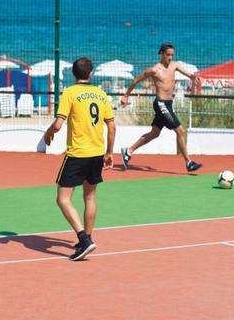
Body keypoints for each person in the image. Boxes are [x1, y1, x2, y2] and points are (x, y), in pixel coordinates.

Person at [43, 57, 115, 261]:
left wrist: (48, 133)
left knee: (63, 199)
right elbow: (111, 126)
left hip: (77, 154)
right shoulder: (101, 94)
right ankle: (88, 238)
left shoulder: (70, 92)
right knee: (90, 197)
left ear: (74, 74)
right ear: (91, 73)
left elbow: (58, 124)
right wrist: (109, 152)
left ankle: (84, 239)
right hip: (97, 153)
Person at [119, 43, 202, 173]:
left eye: (172, 55)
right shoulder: (154, 70)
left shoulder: (174, 65)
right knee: (180, 131)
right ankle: (188, 162)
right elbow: (136, 80)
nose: (170, 57)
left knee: (154, 133)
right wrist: (126, 95)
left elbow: (188, 74)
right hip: (160, 103)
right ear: (162, 54)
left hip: (168, 104)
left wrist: (193, 77)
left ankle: (128, 151)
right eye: (168, 55)